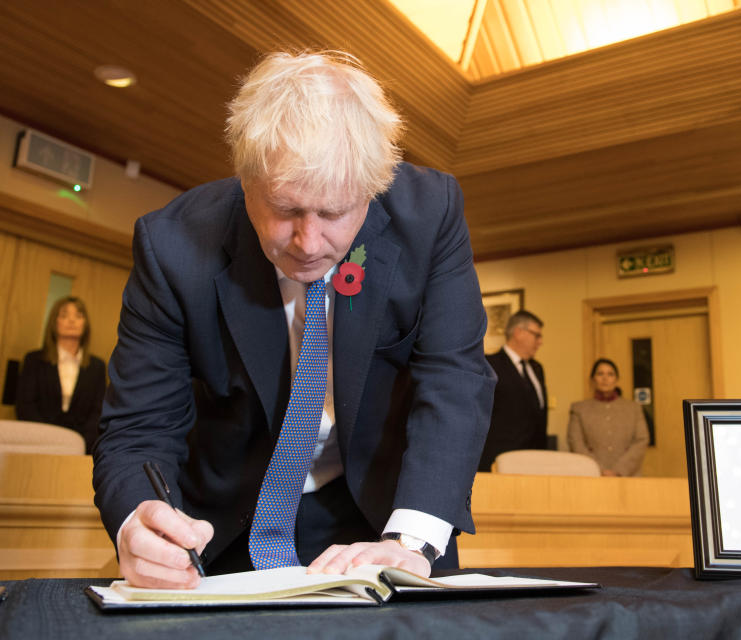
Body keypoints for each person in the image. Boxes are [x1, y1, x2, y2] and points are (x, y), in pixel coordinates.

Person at [92, 50, 496, 589]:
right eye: (284, 210)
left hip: (383, 521)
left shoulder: (430, 216)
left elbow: (454, 378)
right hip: (220, 527)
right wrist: (136, 522)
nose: (308, 245)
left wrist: (412, 539)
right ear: (246, 178)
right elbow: (139, 424)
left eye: (333, 214)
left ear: (373, 189)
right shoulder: (172, 246)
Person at [15, 296, 106, 453]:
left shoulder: (97, 366)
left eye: (78, 315)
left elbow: (98, 412)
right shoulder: (34, 360)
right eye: (64, 315)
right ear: (54, 322)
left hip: (82, 448)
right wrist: (50, 439)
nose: (71, 321)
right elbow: (25, 407)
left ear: (85, 324)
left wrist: (80, 443)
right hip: (37, 445)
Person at [478, 310, 547, 471]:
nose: (540, 342)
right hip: (499, 460)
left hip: (535, 460)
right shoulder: (490, 365)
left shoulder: (537, 369)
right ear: (518, 332)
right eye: (537, 335)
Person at [567, 358, 649, 477]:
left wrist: (619, 470)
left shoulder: (633, 408)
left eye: (610, 374)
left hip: (629, 476)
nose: (605, 378)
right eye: (600, 374)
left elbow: (641, 440)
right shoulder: (579, 409)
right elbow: (576, 443)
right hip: (592, 476)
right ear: (593, 379)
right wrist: (599, 470)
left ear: (616, 379)